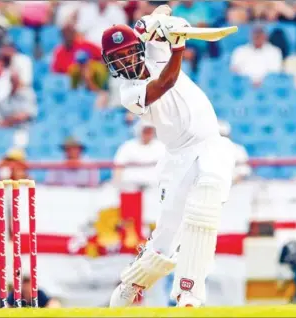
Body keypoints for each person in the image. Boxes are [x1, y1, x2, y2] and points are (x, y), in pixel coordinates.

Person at [101, 7, 235, 307]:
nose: (125, 61)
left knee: (204, 212)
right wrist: (178, 45)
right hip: (177, 158)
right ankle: (134, 282)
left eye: (127, 53)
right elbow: (165, 83)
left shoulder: (154, 48)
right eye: (118, 58)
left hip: (211, 145)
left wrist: (153, 21)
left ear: (137, 48)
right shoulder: (128, 91)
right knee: (166, 236)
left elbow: (164, 9)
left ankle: (188, 293)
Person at [113, 122, 165, 190]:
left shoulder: (161, 147)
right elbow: (118, 166)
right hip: (130, 187)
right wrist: (118, 185)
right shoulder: (127, 146)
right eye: (145, 131)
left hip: (154, 187)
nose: (147, 134)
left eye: (150, 131)